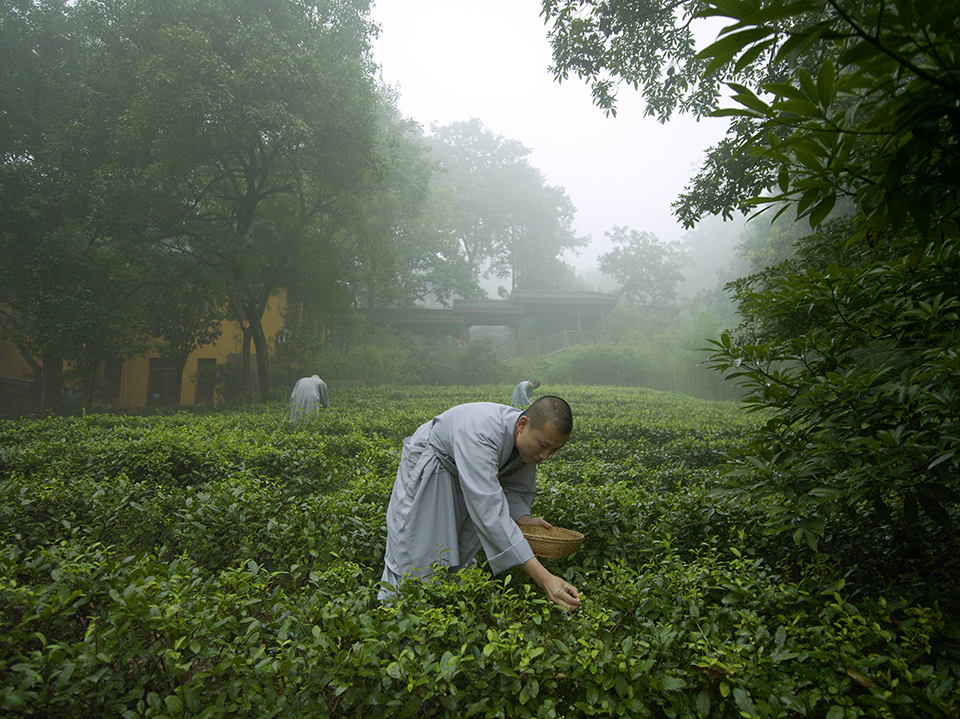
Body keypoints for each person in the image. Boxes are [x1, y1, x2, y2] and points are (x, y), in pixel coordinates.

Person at [379, 396, 581, 611]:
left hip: (463, 476)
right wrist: (544, 578)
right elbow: (489, 510)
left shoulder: (526, 444)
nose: (545, 456)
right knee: (418, 551)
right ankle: (395, 618)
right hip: (435, 470)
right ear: (522, 425)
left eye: (554, 450)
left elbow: (512, 488)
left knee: (458, 553)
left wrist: (524, 519)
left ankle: (441, 616)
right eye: (543, 446)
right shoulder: (480, 433)